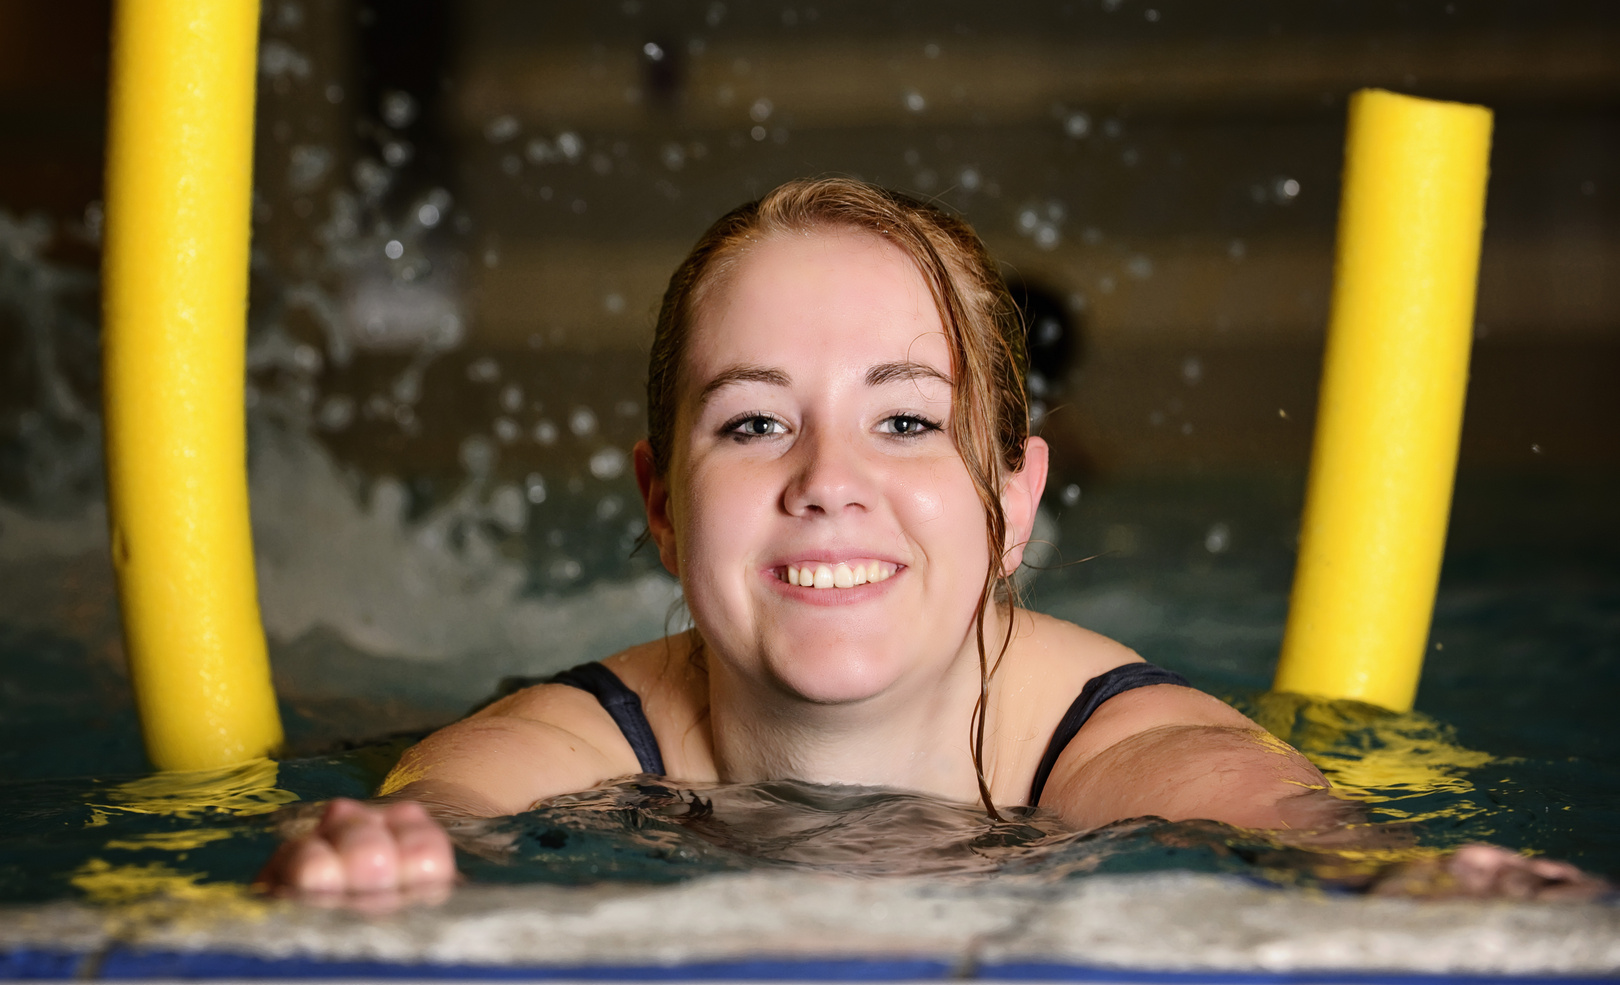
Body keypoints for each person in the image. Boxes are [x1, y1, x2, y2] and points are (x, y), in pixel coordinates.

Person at [259, 178, 1598, 901]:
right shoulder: (572, 738)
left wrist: (1392, 868)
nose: (828, 482)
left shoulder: (1112, 737)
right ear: (662, 504)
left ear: (1012, 506)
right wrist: (381, 852)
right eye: (753, 425)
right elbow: (442, 802)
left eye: (905, 423)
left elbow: (1272, 806)